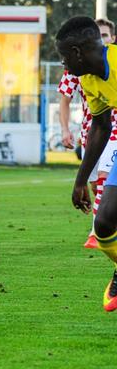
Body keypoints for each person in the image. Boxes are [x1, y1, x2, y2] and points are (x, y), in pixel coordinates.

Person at [55, 16, 117, 312]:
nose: (64, 65)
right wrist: (80, 180)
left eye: (64, 57)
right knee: (103, 225)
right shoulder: (88, 78)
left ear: (78, 52)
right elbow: (101, 126)